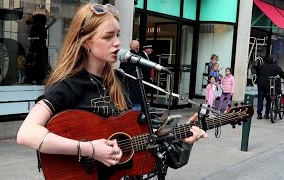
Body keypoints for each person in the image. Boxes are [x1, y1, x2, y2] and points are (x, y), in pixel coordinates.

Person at [17, 3, 207, 178]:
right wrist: (90, 149)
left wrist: (179, 137)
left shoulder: (121, 81)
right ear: (86, 42)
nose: (117, 42)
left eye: (117, 34)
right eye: (108, 36)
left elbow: (133, 138)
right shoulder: (69, 85)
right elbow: (26, 133)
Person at [25, 1, 56, 84]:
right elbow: (54, 19)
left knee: (38, 54)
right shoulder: (40, 11)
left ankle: (36, 77)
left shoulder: (37, 12)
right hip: (38, 33)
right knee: (38, 54)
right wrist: (46, 27)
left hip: (38, 34)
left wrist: (45, 27)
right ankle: (36, 77)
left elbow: (27, 22)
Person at [256, 55, 284, 119]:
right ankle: (267, 114)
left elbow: (257, 73)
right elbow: (282, 74)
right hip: (269, 85)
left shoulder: (262, 66)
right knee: (269, 99)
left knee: (260, 99)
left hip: (261, 85)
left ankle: (259, 114)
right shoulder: (275, 67)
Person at [120, 40, 142, 110]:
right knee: (136, 106)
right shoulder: (138, 57)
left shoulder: (125, 57)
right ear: (138, 47)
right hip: (135, 84)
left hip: (126, 84)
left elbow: (121, 69)